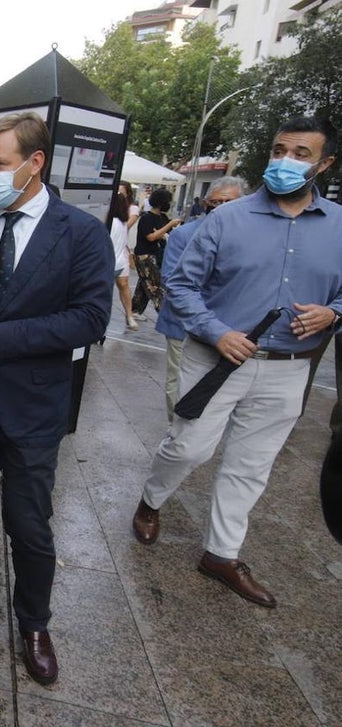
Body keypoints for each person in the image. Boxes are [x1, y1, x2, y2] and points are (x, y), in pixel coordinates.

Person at [0, 112, 112, 686]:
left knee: (29, 523)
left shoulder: (80, 233)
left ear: (36, 164)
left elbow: (90, 317)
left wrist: (2, 337)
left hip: (32, 407)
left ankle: (34, 623)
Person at [132, 116, 340, 609]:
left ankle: (221, 555)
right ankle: (151, 499)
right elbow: (180, 286)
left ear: (325, 163)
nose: (285, 161)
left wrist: (334, 311)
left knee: (251, 465)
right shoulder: (227, 218)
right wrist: (217, 331)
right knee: (188, 448)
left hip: (290, 367)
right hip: (217, 361)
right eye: (279, 149)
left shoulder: (339, 226)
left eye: (301, 154)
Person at [155, 176, 249, 417]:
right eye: (214, 202)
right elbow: (172, 279)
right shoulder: (184, 234)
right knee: (179, 381)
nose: (220, 208)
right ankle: (175, 428)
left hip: (233, 328)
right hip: (184, 324)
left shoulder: (253, 237)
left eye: (227, 202)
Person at [131, 188, 182, 317]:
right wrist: (168, 226)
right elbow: (151, 236)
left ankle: (133, 311)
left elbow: (164, 234)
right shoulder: (146, 218)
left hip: (157, 254)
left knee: (144, 285)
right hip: (145, 255)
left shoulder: (163, 218)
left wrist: (165, 230)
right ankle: (165, 314)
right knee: (155, 285)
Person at [106, 192, 138, 330]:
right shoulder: (123, 223)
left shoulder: (111, 223)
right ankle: (129, 316)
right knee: (122, 289)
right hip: (119, 263)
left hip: (109, 263)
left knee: (104, 296)